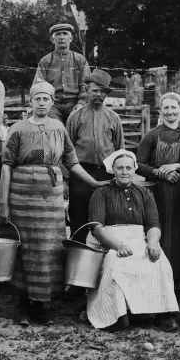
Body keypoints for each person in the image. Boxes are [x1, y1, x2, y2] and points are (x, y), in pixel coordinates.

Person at [0, 81, 106, 326]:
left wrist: (94, 183)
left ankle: (41, 305)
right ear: (31, 102)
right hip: (22, 196)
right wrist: (3, 203)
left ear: (52, 101)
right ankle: (23, 305)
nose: (42, 103)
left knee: (49, 248)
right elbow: (6, 167)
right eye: (38, 99)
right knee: (24, 247)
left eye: (46, 99)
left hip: (51, 198)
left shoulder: (58, 127)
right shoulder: (18, 129)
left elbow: (72, 161)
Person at [84, 149, 180, 332]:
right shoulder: (102, 193)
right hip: (111, 242)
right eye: (120, 168)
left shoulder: (145, 193)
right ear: (112, 170)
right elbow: (96, 227)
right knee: (116, 262)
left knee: (159, 260)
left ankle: (163, 313)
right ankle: (118, 314)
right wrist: (117, 245)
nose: (125, 171)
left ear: (135, 169)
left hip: (140, 239)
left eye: (129, 167)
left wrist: (152, 242)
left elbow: (153, 224)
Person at [135, 92, 180, 299]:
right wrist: (160, 172)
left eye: (174, 108)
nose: (170, 111)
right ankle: (159, 281)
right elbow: (138, 165)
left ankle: (177, 283)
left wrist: (178, 166)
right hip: (158, 194)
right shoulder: (152, 135)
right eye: (166, 108)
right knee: (160, 232)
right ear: (160, 110)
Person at [65, 69, 124, 238]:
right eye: (95, 90)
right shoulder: (76, 117)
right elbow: (67, 150)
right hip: (81, 172)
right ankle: (78, 249)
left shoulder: (113, 118)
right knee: (79, 213)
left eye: (102, 91)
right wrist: (66, 178)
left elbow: (120, 150)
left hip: (106, 172)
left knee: (107, 214)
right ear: (87, 90)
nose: (98, 94)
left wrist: (120, 175)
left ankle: (105, 254)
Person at [34, 22, 91, 124]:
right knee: (55, 127)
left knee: (79, 126)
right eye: (58, 34)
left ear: (71, 38)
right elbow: (38, 86)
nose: (61, 37)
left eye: (65, 33)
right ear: (52, 39)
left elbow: (86, 85)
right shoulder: (46, 61)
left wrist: (81, 103)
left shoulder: (80, 60)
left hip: (74, 102)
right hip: (52, 104)